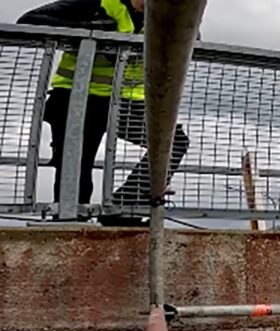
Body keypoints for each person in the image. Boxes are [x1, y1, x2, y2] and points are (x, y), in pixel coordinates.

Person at [18, 0, 191, 226]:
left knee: (174, 142)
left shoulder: (165, 17)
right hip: (76, 95)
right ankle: (69, 218)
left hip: (124, 102)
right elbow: (28, 22)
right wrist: (92, 29)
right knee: (77, 160)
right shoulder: (97, 4)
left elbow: (191, 40)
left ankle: (122, 208)